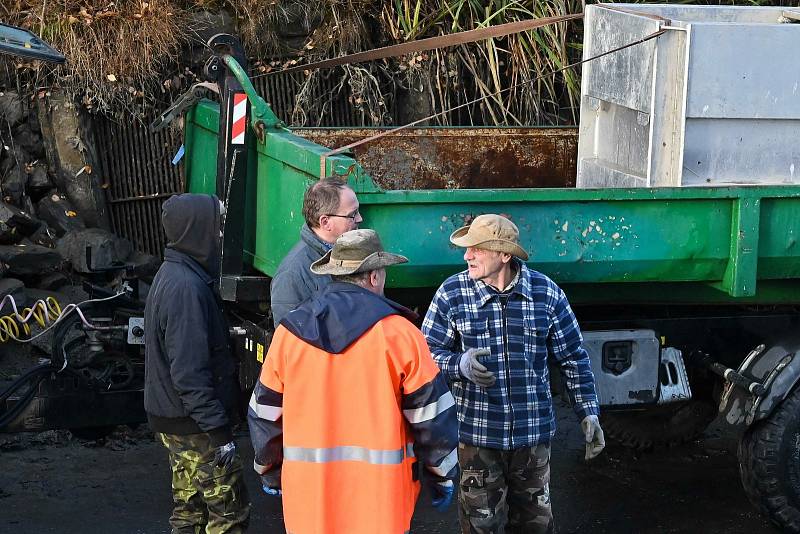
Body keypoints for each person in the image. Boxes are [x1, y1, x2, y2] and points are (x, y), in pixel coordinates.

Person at [248, 229, 459, 534]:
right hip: (382, 503)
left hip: (309, 502)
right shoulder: (400, 334)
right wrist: (441, 475)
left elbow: (264, 414)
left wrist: (269, 471)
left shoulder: (290, 333)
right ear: (374, 277)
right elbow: (432, 419)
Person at [421, 213, 605, 534]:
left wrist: (588, 413)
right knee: (480, 527)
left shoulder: (545, 294)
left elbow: (574, 357)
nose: (467, 256)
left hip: (531, 441)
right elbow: (424, 357)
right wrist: (459, 365)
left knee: (536, 527)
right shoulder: (452, 293)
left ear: (504, 255)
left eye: (477, 249)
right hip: (477, 440)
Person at [144, 193, 250, 534]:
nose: (220, 235)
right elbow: (189, 375)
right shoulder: (186, 289)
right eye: (216, 226)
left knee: (189, 512)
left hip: (177, 420)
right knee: (228, 516)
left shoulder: (172, 274)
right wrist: (220, 434)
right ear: (197, 230)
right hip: (196, 427)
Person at [269, 176, 362, 327]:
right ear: (325, 222)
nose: (360, 218)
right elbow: (290, 341)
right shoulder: (291, 275)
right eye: (352, 214)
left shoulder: (358, 252)